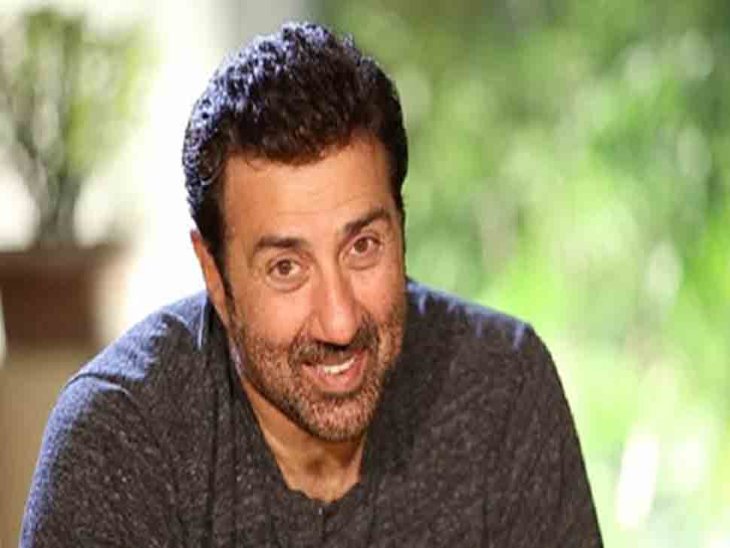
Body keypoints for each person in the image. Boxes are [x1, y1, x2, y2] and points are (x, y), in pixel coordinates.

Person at [21, 21, 602, 547]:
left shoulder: (501, 386)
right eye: (286, 268)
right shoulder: (120, 437)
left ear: (401, 228)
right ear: (214, 275)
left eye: (363, 246)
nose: (340, 322)